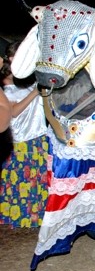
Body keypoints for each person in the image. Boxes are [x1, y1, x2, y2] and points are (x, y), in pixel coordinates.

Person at [0, 40, 49, 228]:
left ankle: (40, 216)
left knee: (40, 179)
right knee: (24, 181)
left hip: (39, 136)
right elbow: (12, 111)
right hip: (22, 141)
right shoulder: (6, 82)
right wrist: (35, 92)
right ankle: (22, 216)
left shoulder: (28, 79)